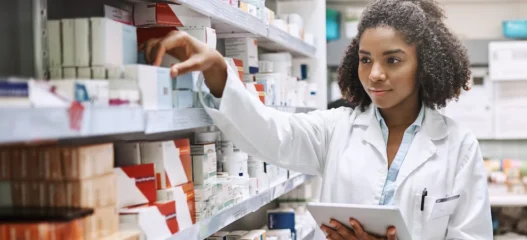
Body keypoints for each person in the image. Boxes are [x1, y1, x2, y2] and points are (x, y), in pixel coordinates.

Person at [142, 0, 492, 239]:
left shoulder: (457, 146)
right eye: (366, 59)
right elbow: (271, 134)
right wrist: (219, 70)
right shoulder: (336, 128)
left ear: (425, 65)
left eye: (393, 60)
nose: (375, 75)